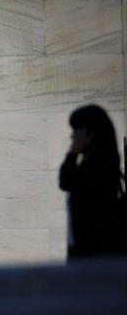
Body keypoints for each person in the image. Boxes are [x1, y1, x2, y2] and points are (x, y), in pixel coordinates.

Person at [59, 104, 126, 259]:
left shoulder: (100, 164)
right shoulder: (94, 162)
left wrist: (73, 151)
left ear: (90, 133)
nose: (72, 136)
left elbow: (66, 180)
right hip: (91, 251)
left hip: (97, 252)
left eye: (76, 130)